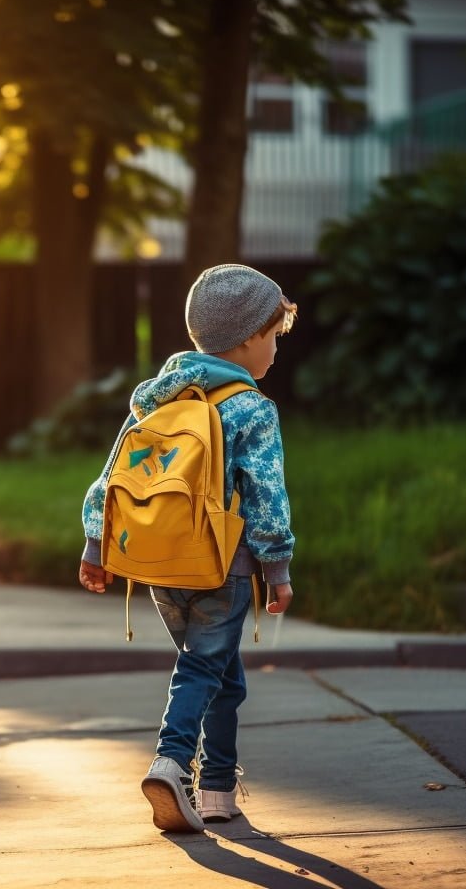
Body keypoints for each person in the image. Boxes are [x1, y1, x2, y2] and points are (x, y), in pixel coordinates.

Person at [78, 263, 297, 833]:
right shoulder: (250, 407)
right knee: (201, 668)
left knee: (222, 675)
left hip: (158, 565)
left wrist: (96, 544)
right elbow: (267, 495)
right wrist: (277, 567)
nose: (276, 350)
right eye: (273, 337)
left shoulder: (158, 399)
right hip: (222, 567)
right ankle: (172, 762)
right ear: (246, 339)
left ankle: (217, 790)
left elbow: (112, 476)